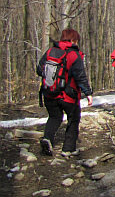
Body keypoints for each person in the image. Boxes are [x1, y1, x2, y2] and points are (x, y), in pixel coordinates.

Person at [37, 29, 93, 157]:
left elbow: (39, 69)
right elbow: (80, 77)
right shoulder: (74, 54)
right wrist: (88, 93)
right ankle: (68, 149)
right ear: (73, 40)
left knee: (54, 117)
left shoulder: (50, 51)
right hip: (68, 96)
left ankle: (47, 138)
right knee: (73, 119)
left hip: (49, 93)